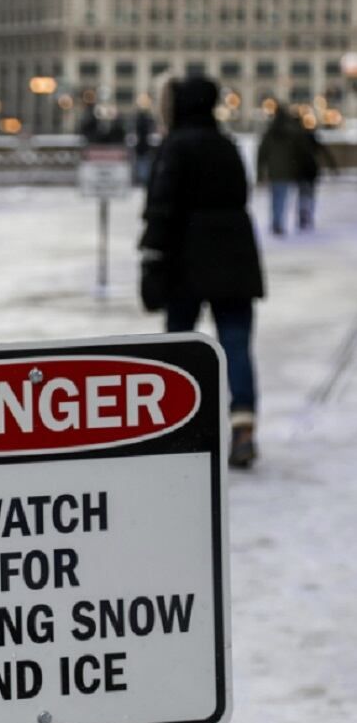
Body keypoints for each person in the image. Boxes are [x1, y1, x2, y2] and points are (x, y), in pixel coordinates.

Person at [139, 76, 265, 468]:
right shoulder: (226, 144)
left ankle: (179, 426)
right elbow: (241, 194)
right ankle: (242, 424)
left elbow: (162, 206)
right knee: (236, 342)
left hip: (185, 257)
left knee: (180, 345)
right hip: (235, 256)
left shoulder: (175, 146)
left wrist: (153, 256)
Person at [257, 104, 306, 235]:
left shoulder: (270, 131)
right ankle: (278, 222)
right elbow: (298, 152)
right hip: (286, 170)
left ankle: (276, 222)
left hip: (274, 170)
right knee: (282, 198)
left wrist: (260, 173)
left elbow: (262, 153)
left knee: (275, 198)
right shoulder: (291, 132)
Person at [296, 123, 337, 231]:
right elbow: (326, 153)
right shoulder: (313, 143)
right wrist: (333, 166)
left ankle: (303, 216)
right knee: (309, 196)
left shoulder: (298, 144)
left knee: (303, 195)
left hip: (302, 173)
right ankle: (308, 216)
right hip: (311, 173)